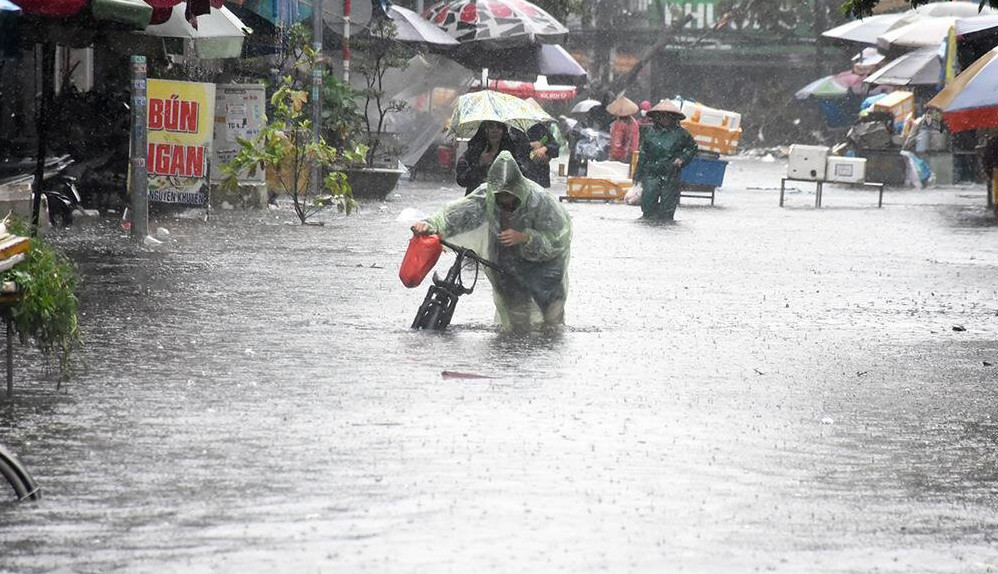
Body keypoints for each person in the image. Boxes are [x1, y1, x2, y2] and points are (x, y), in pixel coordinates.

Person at [412, 151, 572, 330]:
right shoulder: (485, 196)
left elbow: (559, 238)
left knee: (552, 322)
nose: (506, 208)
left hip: (546, 269)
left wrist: (525, 237)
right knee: (516, 321)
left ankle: (548, 345)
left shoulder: (540, 201)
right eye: (501, 203)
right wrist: (430, 224)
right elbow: (455, 215)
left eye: (512, 203)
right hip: (508, 264)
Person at [633, 100, 698, 221]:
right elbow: (643, 154)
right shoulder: (650, 133)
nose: (665, 119)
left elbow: (692, 147)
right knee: (648, 202)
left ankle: (665, 223)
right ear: (657, 117)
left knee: (667, 207)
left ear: (674, 117)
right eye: (662, 116)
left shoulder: (681, 133)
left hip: (671, 174)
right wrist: (637, 174)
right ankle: (649, 220)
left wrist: (682, 159)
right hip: (651, 173)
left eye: (668, 116)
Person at [455, 120, 527, 196]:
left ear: (503, 131)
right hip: (477, 197)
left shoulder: (511, 152)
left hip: (502, 199)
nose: (494, 131)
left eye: (499, 127)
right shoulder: (473, 152)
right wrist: (480, 163)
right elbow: (461, 180)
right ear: (484, 130)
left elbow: (522, 176)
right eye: (490, 127)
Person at [523, 121, 560, 188]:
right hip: (525, 171)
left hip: (542, 172)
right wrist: (531, 145)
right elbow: (514, 147)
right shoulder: (517, 129)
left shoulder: (541, 128)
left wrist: (545, 149)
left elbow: (555, 146)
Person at [607, 95, 641, 163]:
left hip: (620, 159)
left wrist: (613, 157)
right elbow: (635, 142)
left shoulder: (619, 124)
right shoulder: (634, 123)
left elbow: (616, 145)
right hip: (632, 156)